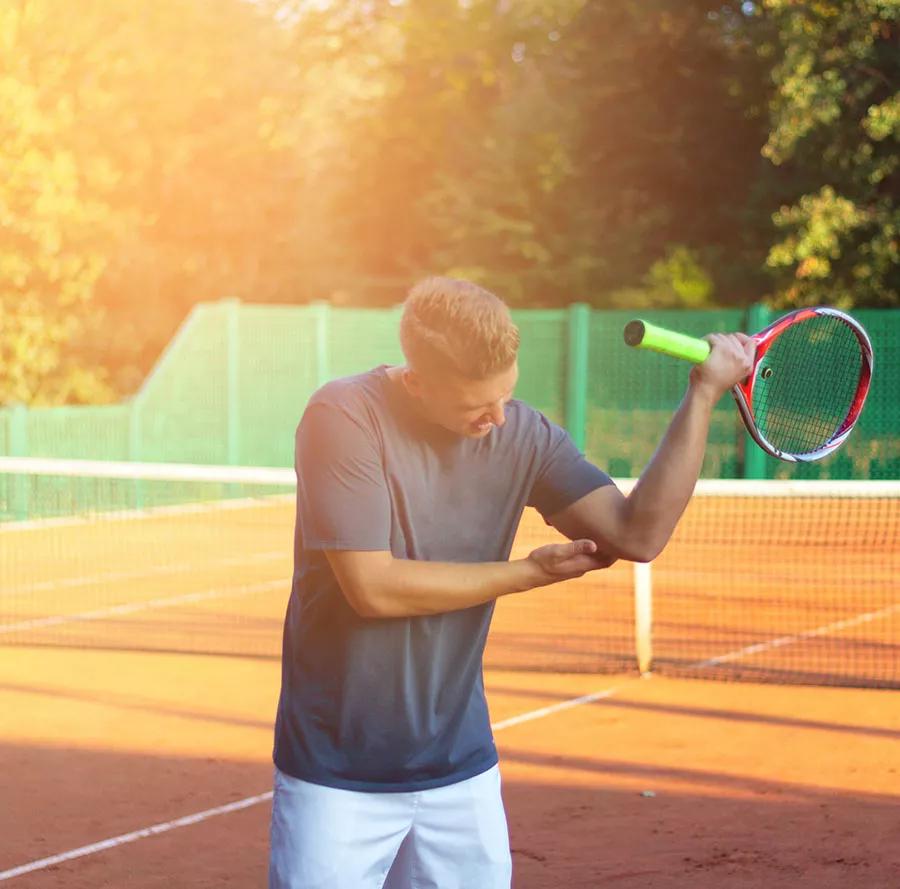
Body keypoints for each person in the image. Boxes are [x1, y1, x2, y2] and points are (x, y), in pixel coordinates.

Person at [269, 276, 754, 889]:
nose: (498, 419)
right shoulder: (342, 417)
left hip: (461, 769)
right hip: (337, 774)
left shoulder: (521, 432)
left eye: (507, 396)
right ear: (417, 382)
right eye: (477, 407)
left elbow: (638, 535)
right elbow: (373, 588)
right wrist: (529, 573)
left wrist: (704, 394)